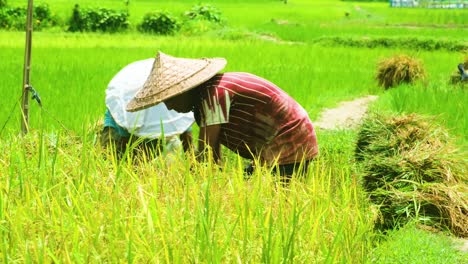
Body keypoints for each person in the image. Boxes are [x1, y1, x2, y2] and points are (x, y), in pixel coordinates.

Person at [126, 51, 318, 178]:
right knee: (251, 193)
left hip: (289, 138)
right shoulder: (204, 104)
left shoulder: (213, 95)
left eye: (169, 100)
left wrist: (187, 186)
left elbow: (206, 155)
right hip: (268, 147)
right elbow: (214, 161)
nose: (169, 107)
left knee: (280, 203)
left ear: (182, 91)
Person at [101, 58, 195, 158]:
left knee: (148, 157)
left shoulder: (176, 101)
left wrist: (194, 162)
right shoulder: (131, 101)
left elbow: (187, 141)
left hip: (150, 132)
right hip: (120, 128)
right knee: (114, 158)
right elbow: (125, 141)